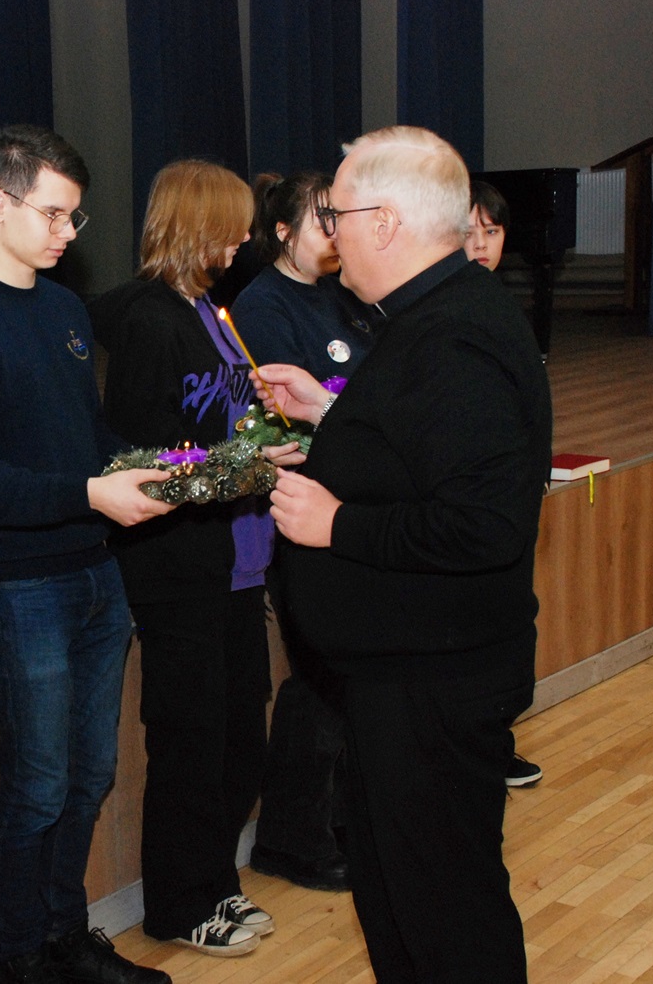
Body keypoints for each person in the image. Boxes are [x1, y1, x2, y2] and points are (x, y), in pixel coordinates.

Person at [255, 126, 552, 982]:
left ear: (384, 223)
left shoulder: (453, 335)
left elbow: (483, 525)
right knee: (405, 905)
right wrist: (328, 414)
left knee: (445, 918)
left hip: (432, 683)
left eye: (338, 216)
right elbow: (419, 447)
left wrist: (336, 524)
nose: (331, 235)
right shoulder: (435, 314)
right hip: (406, 675)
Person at [0, 125, 175, 984]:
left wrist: (155, 467)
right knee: (37, 782)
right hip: (21, 585)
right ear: (0, 204)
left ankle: (67, 937)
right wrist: (91, 493)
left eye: (74, 216)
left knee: (90, 773)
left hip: (97, 572)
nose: (69, 232)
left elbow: (85, 437)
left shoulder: (65, 311)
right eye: (54, 213)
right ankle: (20, 956)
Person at [88, 160, 273, 958]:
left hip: (235, 557)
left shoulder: (208, 308)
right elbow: (142, 458)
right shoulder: (148, 320)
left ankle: (216, 881)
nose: (241, 242)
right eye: (230, 228)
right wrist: (247, 467)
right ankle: (178, 902)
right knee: (191, 740)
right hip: (176, 564)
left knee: (239, 737)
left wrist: (266, 435)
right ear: (194, 224)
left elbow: (227, 422)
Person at [233, 171, 374, 893]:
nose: (335, 230)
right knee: (319, 674)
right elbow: (279, 423)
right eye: (322, 218)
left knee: (350, 671)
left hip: (351, 504)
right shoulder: (263, 306)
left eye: (339, 216)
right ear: (282, 231)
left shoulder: (344, 295)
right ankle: (290, 837)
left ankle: (341, 820)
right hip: (299, 509)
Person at [466, 179, 546, 789]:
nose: (481, 244)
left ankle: (497, 744)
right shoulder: (451, 309)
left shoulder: (505, 305)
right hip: (477, 499)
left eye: (491, 233)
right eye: (469, 232)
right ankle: (479, 751)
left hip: (515, 489)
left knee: (513, 623)